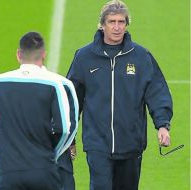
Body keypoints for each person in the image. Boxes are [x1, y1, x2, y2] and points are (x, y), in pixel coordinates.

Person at [67, 0, 173, 189]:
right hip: (97, 144)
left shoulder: (141, 56)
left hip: (131, 143)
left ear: (127, 24)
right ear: (102, 24)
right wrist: (69, 138)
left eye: (121, 22)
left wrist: (163, 125)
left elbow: (157, 91)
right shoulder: (84, 57)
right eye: (112, 22)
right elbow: (71, 101)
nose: (117, 27)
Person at [0, 31, 73, 190]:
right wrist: (51, 152)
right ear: (43, 55)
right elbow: (64, 129)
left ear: (18, 54)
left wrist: (3, 142)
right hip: (43, 170)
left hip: (9, 172)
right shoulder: (54, 84)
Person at [42, 66, 79, 190]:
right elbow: (68, 125)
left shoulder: (5, 83)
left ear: (19, 55)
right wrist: (67, 145)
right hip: (60, 161)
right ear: (43, 55)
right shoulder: (64, 84)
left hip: (20, 164)